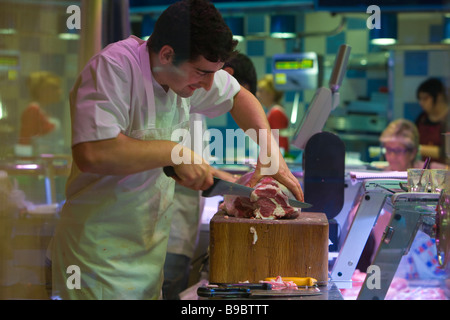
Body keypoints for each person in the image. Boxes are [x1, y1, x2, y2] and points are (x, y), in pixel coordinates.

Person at [50, 0, 303, 300]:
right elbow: (92, 153)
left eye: (214, 73)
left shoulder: (182, 77)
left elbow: (239, 96)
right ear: (167, 54)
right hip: (94, 261)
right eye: (201, 73)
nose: (209, 85)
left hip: (147, 258)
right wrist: (174, 152)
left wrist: (273, 156)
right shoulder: (114, 68)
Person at [162, 53, 257, 300]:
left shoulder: (192, 101)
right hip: (166, 231)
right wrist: (235, 185)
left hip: (176, 231)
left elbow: (193, 162)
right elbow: (181, 164)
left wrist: (234, 182)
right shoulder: (181, 94)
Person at [18, 71, 63, 155]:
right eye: (55, 88)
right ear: (42, 91)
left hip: (48, 162)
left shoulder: (42, 110)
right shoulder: (33, 110)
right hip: (39, 163)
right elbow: (24, 140)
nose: (60, 92)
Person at [379, 118, 446, 171]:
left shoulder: (433, 172)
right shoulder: (383, 176)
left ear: (413, 153)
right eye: (388, 149)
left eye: (398, 150)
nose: (392, 156)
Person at [415, 78, 448, 164]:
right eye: (420, 99)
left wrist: (416, 148)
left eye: (425, 98)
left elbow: (446, 153)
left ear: (439, 96)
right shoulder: (422, 118)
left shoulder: (447, 120)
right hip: (425, 171)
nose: (421, 103)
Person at [256, 74, 290, 154]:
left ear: (271, 94)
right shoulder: (273, 111)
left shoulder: (276, 112)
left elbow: (281, 141)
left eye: (261, 91)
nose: (257, 94)